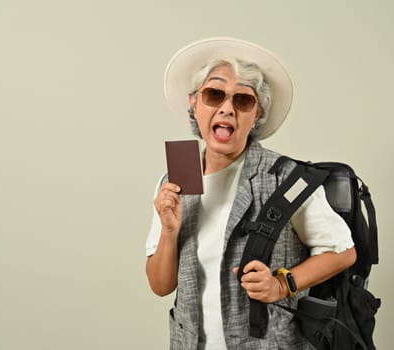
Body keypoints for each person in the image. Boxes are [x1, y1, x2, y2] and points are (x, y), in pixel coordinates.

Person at [145, 37, 356, 350]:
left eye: (243, 100)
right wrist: (169, 231)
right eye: (214, 94)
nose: (227, 109)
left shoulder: (286, 178)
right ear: (195, 102)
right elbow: (161, 286)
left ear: (257, 114)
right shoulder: (176, 178)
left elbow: (343, 252)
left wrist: (282, 284)